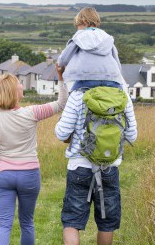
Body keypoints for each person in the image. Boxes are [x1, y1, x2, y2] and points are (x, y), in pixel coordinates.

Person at [0, 69, 67, 245]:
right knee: (27, 223)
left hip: (3, 175)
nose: (22, 86)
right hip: (29, 174)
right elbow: (62, 103)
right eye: (19, 84)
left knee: (4, 225)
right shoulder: (32, 112)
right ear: (14, 92)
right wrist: (60, 78)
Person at [54, 71, 138, 245]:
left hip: (79, 167)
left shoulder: (78, 95)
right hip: (109, 168)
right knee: (106, 224)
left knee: (72, 221)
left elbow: (62, 133)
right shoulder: (122, 96)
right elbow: (132, 136)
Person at [57, 7, 126, 91]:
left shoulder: (79, 36)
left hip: (87, 77)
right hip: (111, 78)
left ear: (84, 22)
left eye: (78, 26)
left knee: (73, 98)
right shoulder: (107, 37)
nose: (77, 29)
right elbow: (117, 61)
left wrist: (59, 64)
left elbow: (63, 59)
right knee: (118, 99)